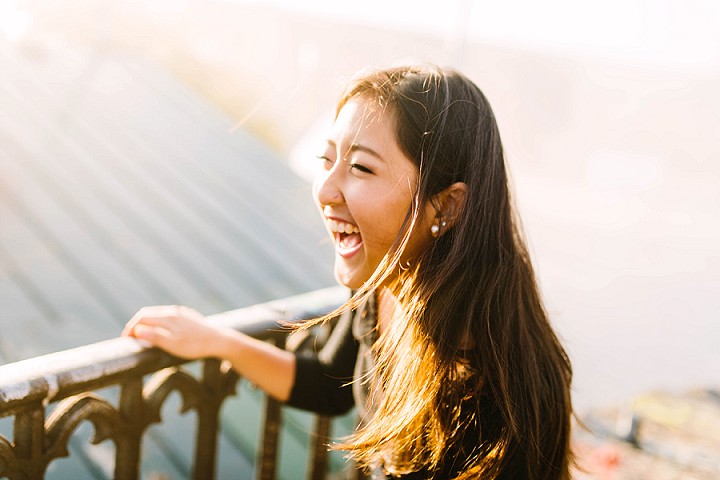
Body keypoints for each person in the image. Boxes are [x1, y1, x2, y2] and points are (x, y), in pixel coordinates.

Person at [122, 65, 573, 479]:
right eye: (327, 160)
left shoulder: (497, 391)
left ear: (446, 205)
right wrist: (217, 341)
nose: (325, 190)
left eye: (360, 167)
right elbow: (329, 383)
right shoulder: (385, 285)